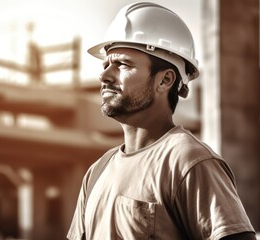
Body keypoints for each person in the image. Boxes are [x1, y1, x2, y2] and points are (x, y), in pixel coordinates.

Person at [67, 2, 256, 240]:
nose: (104, 76)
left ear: (165, 80)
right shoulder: (97, 172)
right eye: (106, 65)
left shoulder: (189, 162)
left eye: (122, 64)